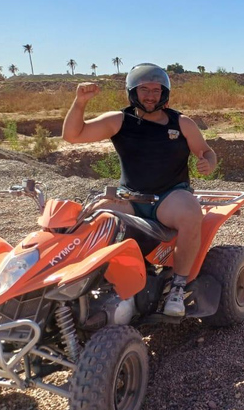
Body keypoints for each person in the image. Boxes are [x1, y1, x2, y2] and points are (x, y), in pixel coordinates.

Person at [62, 63, 217, 317]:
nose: (150, 95)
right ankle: (78, 281)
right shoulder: (120, 121)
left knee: (191, 214)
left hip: (169, 197)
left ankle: (178, 286)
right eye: (144, 89)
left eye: (156, 90)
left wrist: (207, 163)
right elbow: (73, 135)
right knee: (88, 216)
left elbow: (207, 151)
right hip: (130, 197)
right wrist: (79, 103)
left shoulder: (182, 123)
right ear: (132, 92)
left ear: (164, 93)